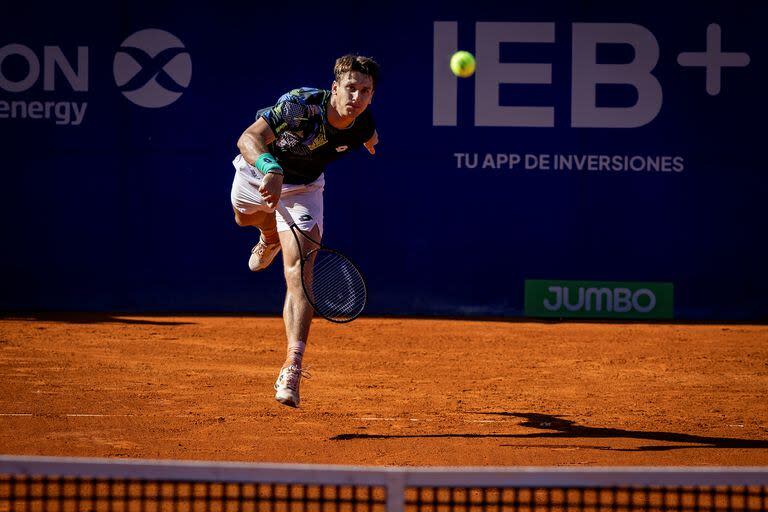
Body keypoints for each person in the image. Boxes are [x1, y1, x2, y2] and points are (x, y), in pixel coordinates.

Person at [230, 54, 379, 408]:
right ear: (334, 88)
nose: (356, 97)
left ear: (372, 95)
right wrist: (269, 167)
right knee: (243, 218)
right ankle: (268, 235)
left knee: (300, 272)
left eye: (365, 91)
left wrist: (372, 142)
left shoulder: (362, 123)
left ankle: (292, 366)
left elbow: (371, 135)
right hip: (258, 174)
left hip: (305, 192)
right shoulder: (300, 105)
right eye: (351, 88)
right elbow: (248, 137)